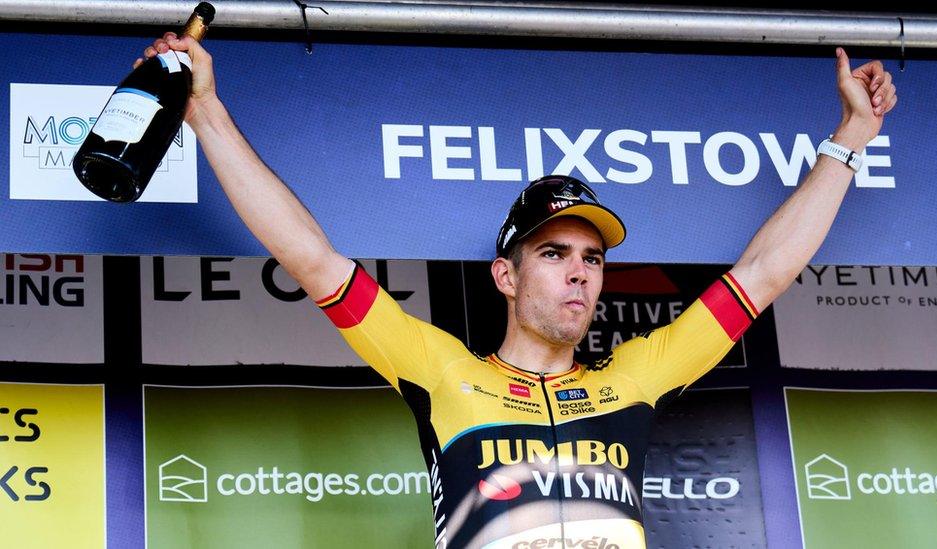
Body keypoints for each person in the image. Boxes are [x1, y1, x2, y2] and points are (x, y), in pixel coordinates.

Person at [138, 33, 896, 548]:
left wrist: (851, 138)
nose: (579, 271)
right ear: (505, 274)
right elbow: (310, 258)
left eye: (593, 259)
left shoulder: (634, 378)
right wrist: (204, 111)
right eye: (555, 252)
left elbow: (761, 275)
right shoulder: (442, 371)